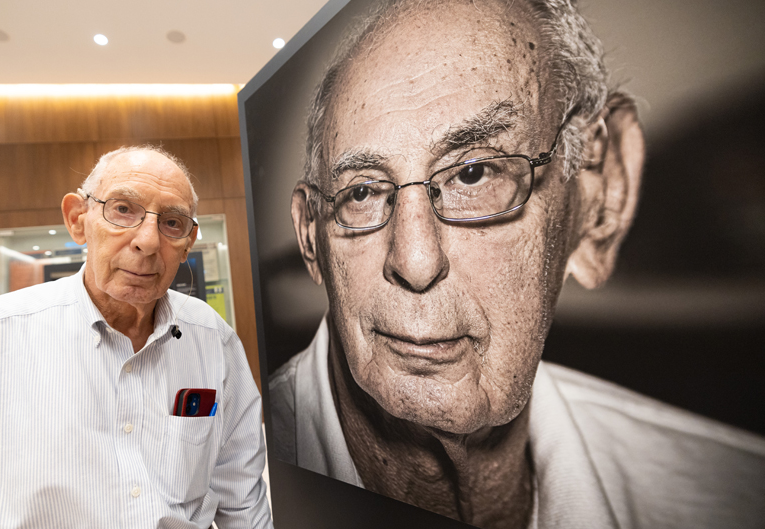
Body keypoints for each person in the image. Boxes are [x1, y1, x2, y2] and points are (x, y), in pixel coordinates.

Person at [269, 0, 765, 528]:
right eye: (362, 192)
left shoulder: (735, 498)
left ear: (598, 200)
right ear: (310, 237)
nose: (415, 262)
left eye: (475, 173)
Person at [0, 146, 273, 529]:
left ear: (188, 242)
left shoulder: (212, 340)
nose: (148, 241)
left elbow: (242, 501)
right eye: (123, 210)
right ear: (78, 220)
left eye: (172, 222)